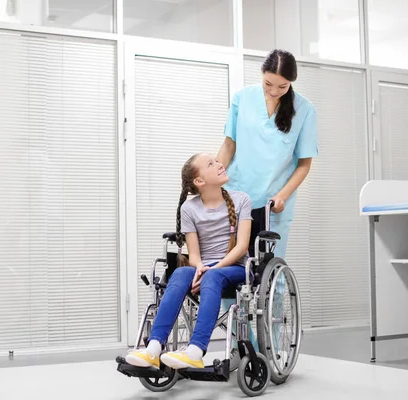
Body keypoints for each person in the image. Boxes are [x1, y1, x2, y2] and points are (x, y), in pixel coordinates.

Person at [217, 49, 318, 347]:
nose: (274, 91)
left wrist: (284, 194)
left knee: (268, 279)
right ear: (260, 77)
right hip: (236, 201)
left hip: (275, 206)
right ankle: (236, 344)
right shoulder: (242, 99)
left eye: (282, 86)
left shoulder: (304, 110)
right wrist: (214, 180)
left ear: (291, 84)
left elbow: (304, 164)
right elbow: (228, 145)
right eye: (268, 84)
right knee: (232, 270)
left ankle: (269, 347)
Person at [125, 153, 252, 370]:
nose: (220, 164)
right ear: (199, 181)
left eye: (216, 161)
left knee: (212, 275)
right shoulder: (189, 209)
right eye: (211, 164)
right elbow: (193, 255)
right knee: (180, 273)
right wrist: (200, 267)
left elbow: (241, 248)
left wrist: (212, 270)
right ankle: (154, 348)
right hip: (206, 268)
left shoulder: (241, 200)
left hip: (235, 268)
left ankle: (195, 351)